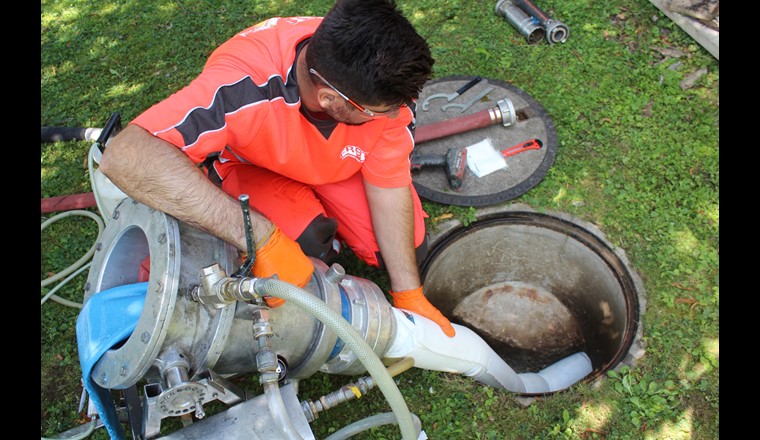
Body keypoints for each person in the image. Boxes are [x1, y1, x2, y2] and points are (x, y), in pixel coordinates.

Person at [100, 0, 455, 337]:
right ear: (331, 101)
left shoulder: (377, 83)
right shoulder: (241, 85)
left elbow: (389, 184)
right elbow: (125, 154)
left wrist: (408, 292)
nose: (395, 117)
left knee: (405, 249)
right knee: (305, 254)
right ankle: (297, 227)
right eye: (380, 112)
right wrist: (259, 234)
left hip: (335, 164)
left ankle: (317, 218)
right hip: (251, 166)